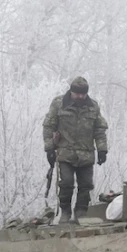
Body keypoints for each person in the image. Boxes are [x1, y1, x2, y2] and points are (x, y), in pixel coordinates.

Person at [42, 76, 109, 224]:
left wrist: (102, 149)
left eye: (83, 94)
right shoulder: (59, 104)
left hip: (86, 153)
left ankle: (81, 212)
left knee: (86, 185)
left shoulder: (93, 107)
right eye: (77, 93)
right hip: (66, 152)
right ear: (71, 91)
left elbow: (99, 129)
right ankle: (65, 211)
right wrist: (49, 149)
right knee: (66, 183)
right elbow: (48, 126)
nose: (80, 97)